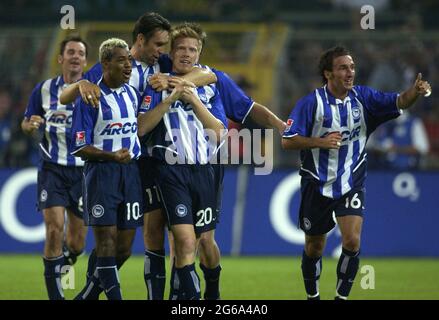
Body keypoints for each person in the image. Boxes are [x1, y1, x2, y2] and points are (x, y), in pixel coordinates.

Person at [60, 12, 216, 300]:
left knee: (142, 239)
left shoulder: (162, 64)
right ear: (140, 40)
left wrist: (171, 80)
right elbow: (65, 96)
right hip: (129, 163)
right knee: (146, 234)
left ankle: (94, 292)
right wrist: (80, 84)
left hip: (157, 160)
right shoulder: (109, 67)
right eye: (158, 44)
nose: (163, 51)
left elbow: (208, 73)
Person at [281, 46, 431, 300]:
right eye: (343, 67)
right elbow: (287, 140)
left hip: (351, 181)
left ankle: (341, 297)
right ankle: (312, 296)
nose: (350, 72)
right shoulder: (311, 103)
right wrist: (320, 142)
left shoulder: (364, 99)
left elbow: (399, 102)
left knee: (351, 241)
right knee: (314, 247)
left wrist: (414, 92)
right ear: (328, 74)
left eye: (352, 67)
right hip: (316, 183)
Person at [138, 24, 227, 300]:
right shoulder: (156, 83)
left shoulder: (208, 86)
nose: (186, 54)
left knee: (205, 242)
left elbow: (219, 132)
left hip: (205, 171)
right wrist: (172, 96)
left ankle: (212, 285)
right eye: (181, 49)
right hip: (171, 171)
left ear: (199, 53)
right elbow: (141, 128)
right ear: (171, 52)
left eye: (193, 49)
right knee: (184, 242)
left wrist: (191, 98)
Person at [70, 38, 143, 300]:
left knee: (123, 248)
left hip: (131, 174)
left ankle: (86, 296)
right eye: (121, 60)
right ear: (105, 64)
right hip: (102, 174)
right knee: (106, 243)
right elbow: (79, 146)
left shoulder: (132, 94)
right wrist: (110, 156)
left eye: (130, 60)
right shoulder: (91, 98)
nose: (128, 65)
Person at [21, 36, 89, 300]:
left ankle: (67, 258)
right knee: (53, 229)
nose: (75, 56)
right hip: (52, 169)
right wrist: (30, 125)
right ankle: (55, 296)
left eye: (80, 53)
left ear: (85, 60)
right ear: (61, 58)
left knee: (76, 242)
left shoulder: (93, 90)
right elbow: (26, 123)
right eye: (70, 52)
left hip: (84, 171)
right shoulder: (44, 89)